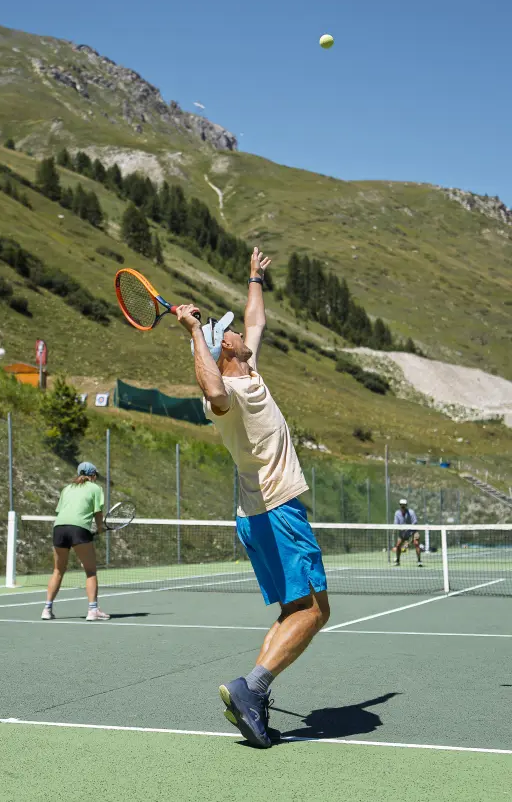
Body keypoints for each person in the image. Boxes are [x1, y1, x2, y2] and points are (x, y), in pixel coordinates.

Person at [177, 246, 330, 749]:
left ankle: (253, 701)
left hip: (258, 514)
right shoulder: (228, 395)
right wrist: (195, 333)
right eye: (231, 333)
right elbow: (213, 391)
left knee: (293, 610)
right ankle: (254, 686)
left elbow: (256, 321)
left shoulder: (251, 372)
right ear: (225, 349)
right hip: (277, 510)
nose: (241, 332)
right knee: (315, 611)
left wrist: (255, 279)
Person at [41, 461, 110, 621]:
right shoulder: (95, 488)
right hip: (79, 530)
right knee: (90, 571)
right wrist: (100, 527)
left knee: (58, 570)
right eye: (95, 475)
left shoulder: (67, 488)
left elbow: (63, 511)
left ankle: (47, 609)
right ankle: (93, 610)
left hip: (59, 529)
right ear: (93, 476)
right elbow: (97, 512)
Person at [393, 498, 422, 567]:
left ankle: (419, 561)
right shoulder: (397, 513)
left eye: (404, 505)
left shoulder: (411, 512)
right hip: (403, 532)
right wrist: (394, 529)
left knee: (416, 543)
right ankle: (397, 561)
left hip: (413, 531)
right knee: (398, 545)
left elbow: (415, 523)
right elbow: (396, 524)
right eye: (401, 505)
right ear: (400, 505)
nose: (403, 506)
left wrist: (410, 538)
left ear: (406, 505)